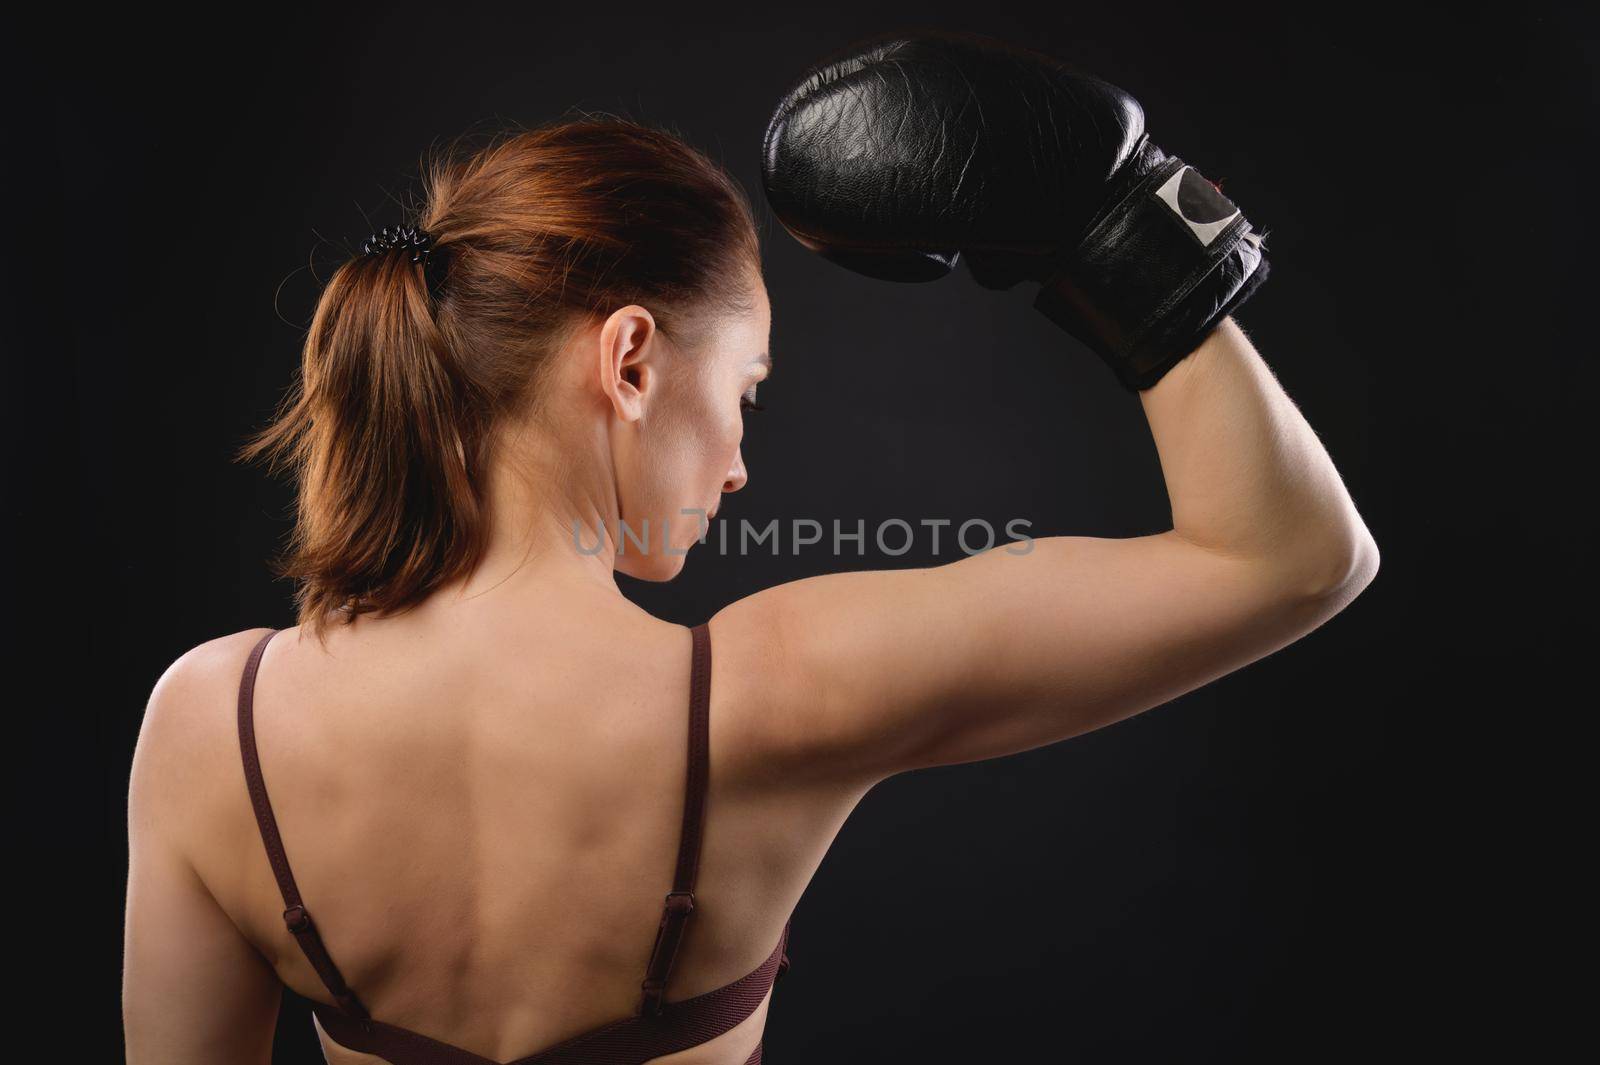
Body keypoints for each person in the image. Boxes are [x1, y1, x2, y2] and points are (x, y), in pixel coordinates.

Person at [123, 34, 1378, 1065]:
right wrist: (1123, 227)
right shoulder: (774, 695)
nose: (739, 463)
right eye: (747, 391)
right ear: (629, 360)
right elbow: (1290, 558)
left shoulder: (208, 726)